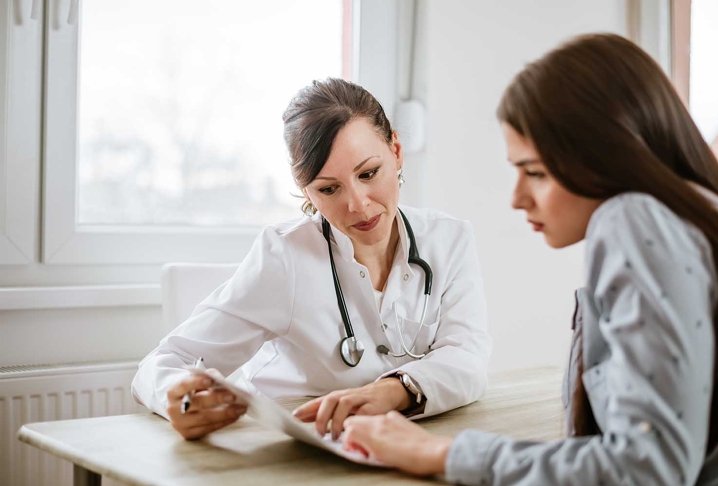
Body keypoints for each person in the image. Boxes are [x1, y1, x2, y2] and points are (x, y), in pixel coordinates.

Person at [339, 33, 718, 485]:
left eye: (536, 172)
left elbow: (646, 468)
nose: (518, 198)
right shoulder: (704, 216)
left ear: (612, 156)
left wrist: (444, 453)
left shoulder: (632, 219)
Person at [131, 78, 491, 441]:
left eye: (368, 173)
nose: (358, 204)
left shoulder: (449, 239)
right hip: (293, 451)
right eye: (328, 188)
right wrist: (176, 398)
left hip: (399, 448)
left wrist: (394, 390)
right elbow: (162, 363)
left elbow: (469, 358)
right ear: (306, 190)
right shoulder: (284, 256)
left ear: (396, 150)